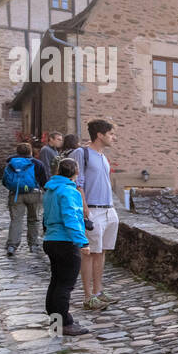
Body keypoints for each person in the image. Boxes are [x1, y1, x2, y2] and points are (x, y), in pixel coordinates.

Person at [42, 157, 90, 336]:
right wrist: (82, 241)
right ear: (75, 173)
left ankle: (56, 321)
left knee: (56, 281)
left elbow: (46, 217)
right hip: (65, 241)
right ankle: (64, 323)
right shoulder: (70, 192)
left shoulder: (50, 190)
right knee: (65, 285)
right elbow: (70, 218)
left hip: (51, 240)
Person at [74, 119, 118, 310]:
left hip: (108, 209)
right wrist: (85, 209)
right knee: (89, 253)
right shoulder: (81, 153)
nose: (113, 137)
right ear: (100, 135)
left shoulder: (102, 156)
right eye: (110, 134)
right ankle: (88, 296)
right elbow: (77, 183)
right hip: (92, 209)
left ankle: (99, 291)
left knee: (102, 252)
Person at [2, 143, 49, 256]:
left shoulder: (10, 164)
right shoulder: (37, 163)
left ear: (17, 152)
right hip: (34, 194)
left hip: (16, 194)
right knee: (33, 219)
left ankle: (12, 246)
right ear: (30, 152)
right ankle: (33, 245)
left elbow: (4, 181)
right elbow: (44, 181)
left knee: (16, 220)